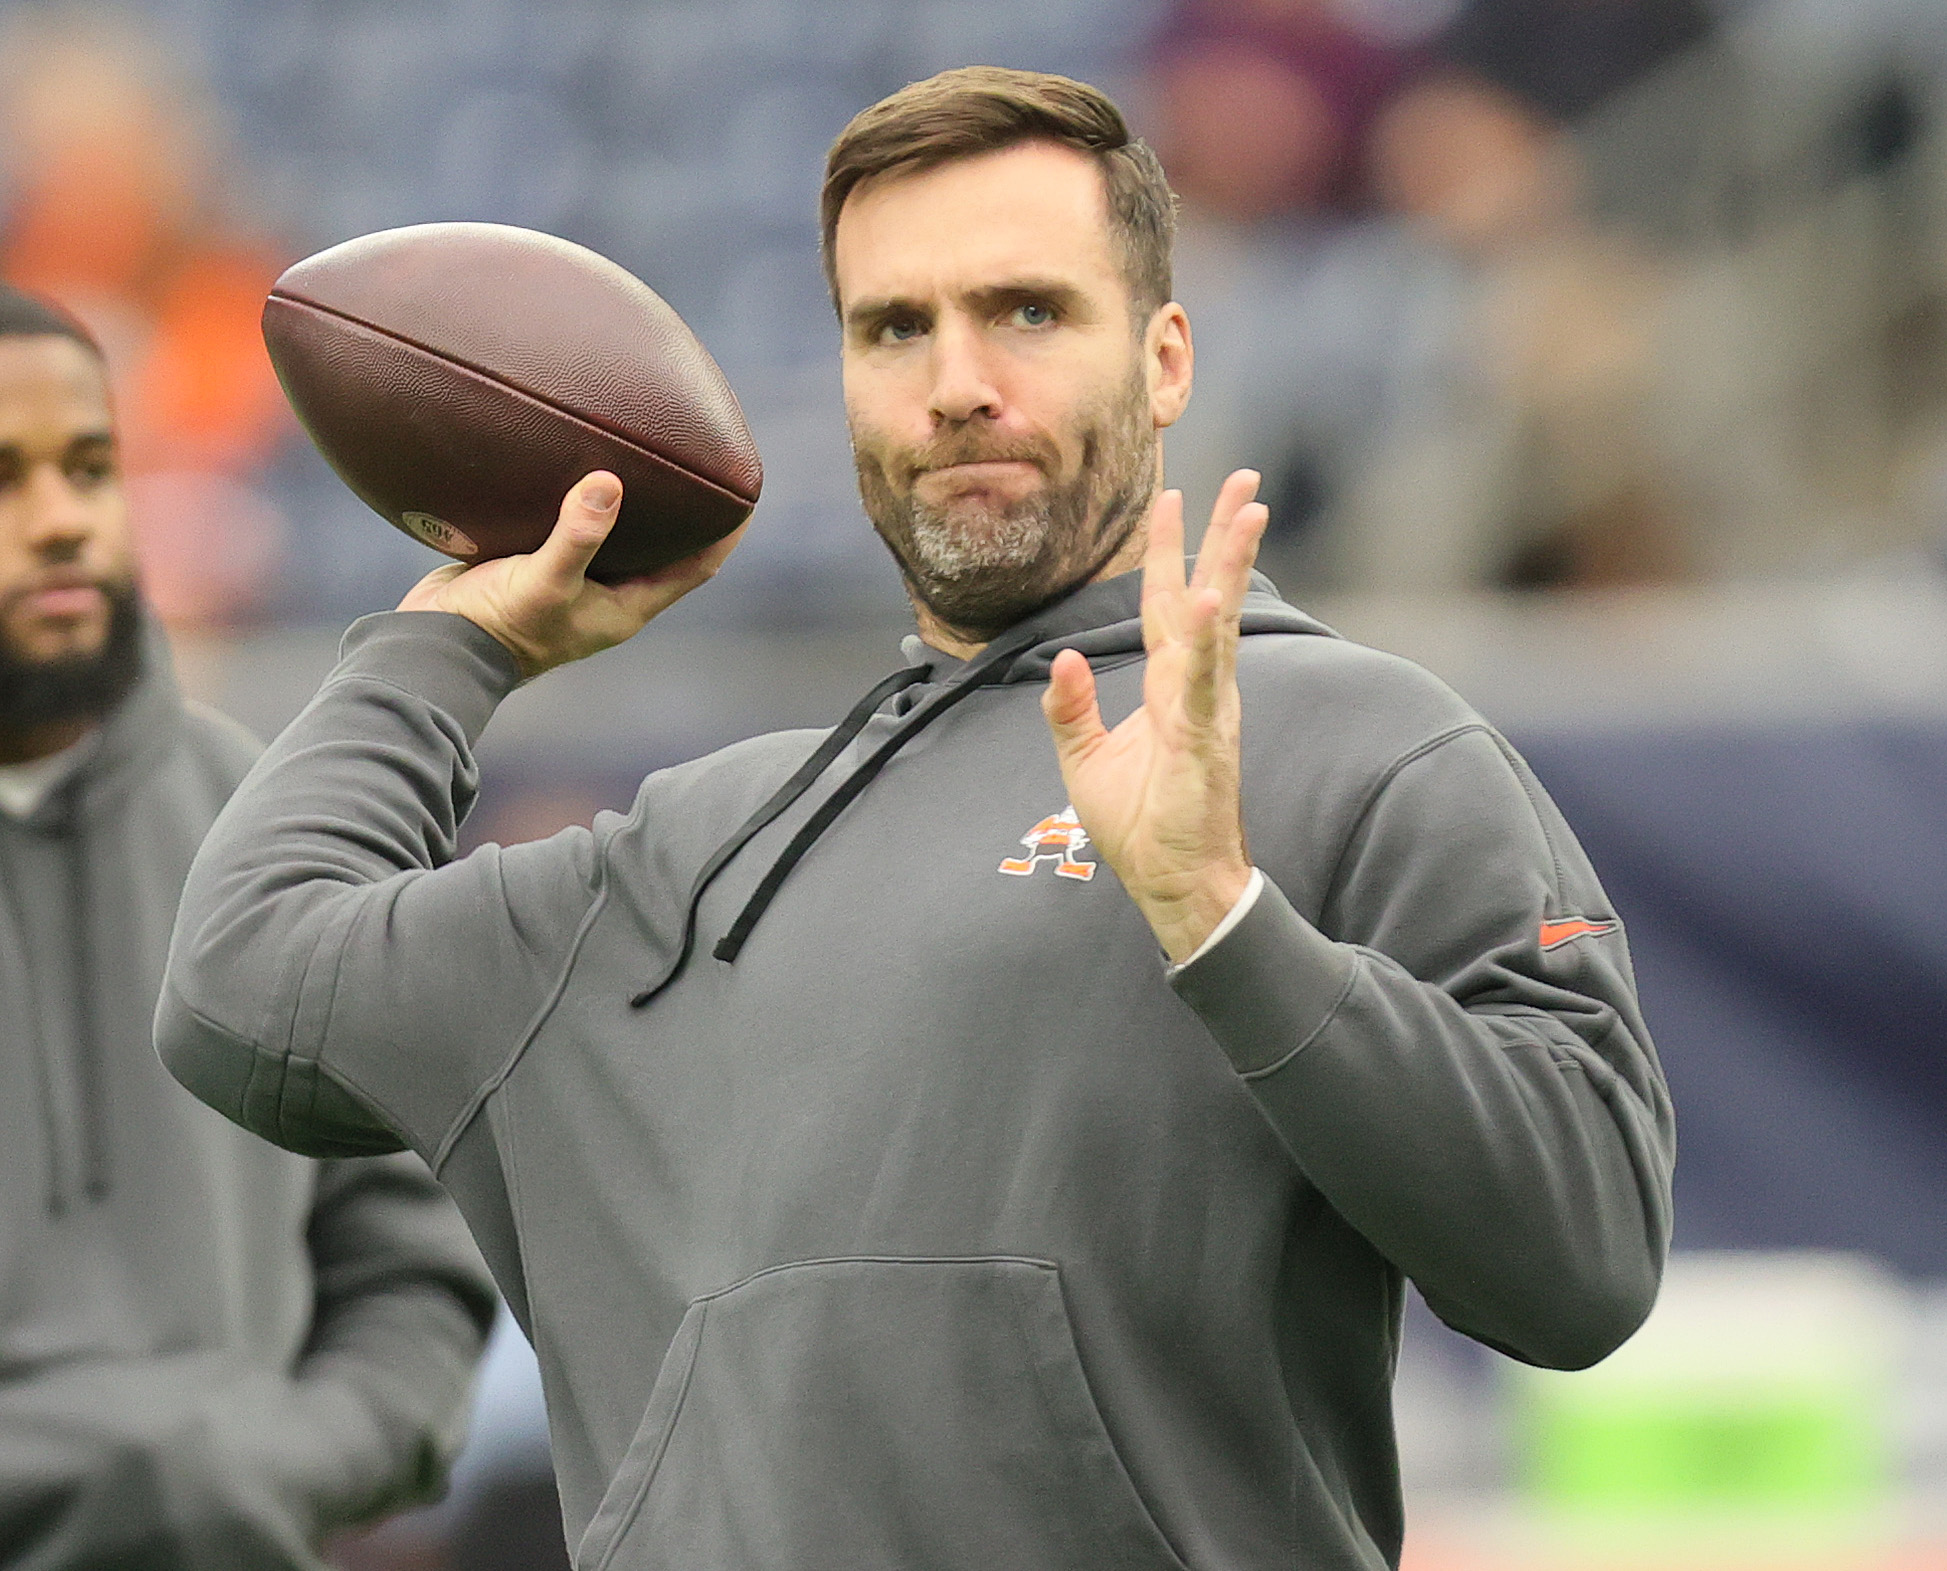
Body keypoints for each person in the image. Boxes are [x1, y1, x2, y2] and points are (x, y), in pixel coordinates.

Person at [158, 68, 1674, 1570]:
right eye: (893, 326)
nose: (954, 380)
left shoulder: (1357, 744)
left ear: (1161, 361)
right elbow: (242, 985)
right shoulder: (705, 839)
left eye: (1025, 309)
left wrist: (1223, 915)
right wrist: (457, 645)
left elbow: (1580, 1261)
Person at [0, 281, 496, 1566]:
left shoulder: (274, 831)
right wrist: (119, 1470)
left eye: (90, 468)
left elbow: (414, 1264)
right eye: (3, 479)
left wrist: (267, 1465)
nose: (61, 522)